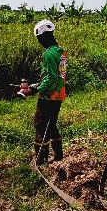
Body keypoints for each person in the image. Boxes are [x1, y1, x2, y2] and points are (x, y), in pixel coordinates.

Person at [32, 19, 67, 165]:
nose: (39, 42)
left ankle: (40, 160)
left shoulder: (48, 54)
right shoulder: (61, 51)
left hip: (48, 96)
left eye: (39, 39)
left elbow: (52, 77)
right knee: (51, 125)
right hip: (59, 95)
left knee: (40, 125)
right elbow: (58, 75)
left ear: (44, 37)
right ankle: (58, 156)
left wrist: (36, 88)